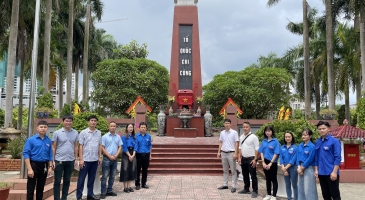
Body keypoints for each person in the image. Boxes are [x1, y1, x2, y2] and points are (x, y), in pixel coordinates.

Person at [23, 120, 53, 200]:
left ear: (47, 128)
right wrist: (29, 169)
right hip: (33, 165)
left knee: (41, 187)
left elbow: (50, 155)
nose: (43, 128)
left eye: (45, 127)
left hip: (44, 166)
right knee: (31, 187)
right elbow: (26, 154)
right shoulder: (31, 140)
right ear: (37, 128)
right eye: (41, 127)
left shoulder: (48, 140)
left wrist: (50, 166)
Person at [52, 115, 79, 200]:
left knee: (67, 181)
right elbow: (53, 147)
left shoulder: (75, 133)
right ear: (63, 122)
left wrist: (76, 158)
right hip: (59, 160)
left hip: (70, 160)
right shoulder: (57, 133)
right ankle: (56, 198)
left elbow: (76, 146)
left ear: (72, 122)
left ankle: (64, 198)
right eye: (66, 121)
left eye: (70, 121)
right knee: (57, 181)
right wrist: (52, 160)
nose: (68, 123)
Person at [76, 115, 102, 200]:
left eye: (95, 121)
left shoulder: (98, 132)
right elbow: (80, 146)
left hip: (94, 160)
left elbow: (100, 145)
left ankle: (90, 195)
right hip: (85, 160)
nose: (93, 122)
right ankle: (79, 196)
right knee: (81, 179)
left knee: (91, 179)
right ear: (88, 122)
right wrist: (81, 159)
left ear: (96, 122)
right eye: (92, 120)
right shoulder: (83, 132)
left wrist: (99, 156)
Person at [314, 121, 341, 200]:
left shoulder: (334, 141)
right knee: (325, 195)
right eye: (320, 129)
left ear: (328, 129)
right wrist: (316, 170)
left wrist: (334, 172)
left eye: (324, 128)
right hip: (321, 173)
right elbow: (316, 157)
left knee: (335, 195)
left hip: (331, 172)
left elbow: (337, 158)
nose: (322, 130)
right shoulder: (318, 141)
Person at [100, 121, 122, 199]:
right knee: (105, 176)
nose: (113, 127)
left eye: (114, 126)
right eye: (111, 126)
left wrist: (116, 155)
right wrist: (109, 156)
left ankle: (109, 190)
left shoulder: (118, 137)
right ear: (109, 127)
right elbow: (102, 148)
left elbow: (120, 147)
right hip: (106, 158)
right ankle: (103, 192)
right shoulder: (105, 136)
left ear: (116, 127)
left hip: (115, 158)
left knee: (112, 176)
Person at [237, 121, 260, 198]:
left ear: (250, 127)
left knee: (253, 176)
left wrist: (255, 159)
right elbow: (240, 147)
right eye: (244, 127)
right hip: (244, 158)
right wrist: (239, 157)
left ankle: (255, 191)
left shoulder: (254, 137)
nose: (245, 128)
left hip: (251, 158)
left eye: (246, 127)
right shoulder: (241, 137)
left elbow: (257, 148)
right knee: (245, 175)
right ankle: (246, 188)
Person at [217, 119, 239, 193]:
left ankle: (234, 186)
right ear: (224, 124)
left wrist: (236, 153)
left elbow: (236, 143)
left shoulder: (234, 132)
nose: (227, 124)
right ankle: (225, 184)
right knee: (225, 170)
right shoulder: (222, 133)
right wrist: (219, 152)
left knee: (233, 171)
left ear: (230, 124)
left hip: (231, 153)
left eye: (228, 123)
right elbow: (220, 142)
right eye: (225, 123)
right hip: (223, 153)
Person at [259, 125, 280, 200]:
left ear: (272, 132)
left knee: (273, 179)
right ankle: (268, 194)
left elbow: (276, 153)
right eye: (266, 131)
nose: (268, 132)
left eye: (269, 131)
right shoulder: (264, 141)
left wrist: (271, 163)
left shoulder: (275, 141)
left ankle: (274, 196)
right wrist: (263, 162)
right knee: (267, 179)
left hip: (273, 162)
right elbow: (261, 152)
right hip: (265, 161)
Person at [297, 129, 318, 200]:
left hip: (308, 168)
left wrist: (302, 168)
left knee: (309, 189)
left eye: (305, 135)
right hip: (300, 168)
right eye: (302, 135)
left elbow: (310, 159)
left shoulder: (312, 146)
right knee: (301, 188)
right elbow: (298, 157)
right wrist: (298, 167)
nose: (303, 136)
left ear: (310, 136)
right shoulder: (300, 145)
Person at [280, 132, 298, 200]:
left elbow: (293, 160)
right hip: (284, 167)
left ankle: (296, 198)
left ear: (292, 137)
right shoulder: (282, 147)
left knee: (294, 185)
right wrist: (283, 168)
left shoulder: (295, 148)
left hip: (292, 167)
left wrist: (285, 168)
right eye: (286, 137)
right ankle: (289, 198)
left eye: (289, 137)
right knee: (287, 185)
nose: (287, 138)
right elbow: (281, 158)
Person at [119, 124, 137, 193]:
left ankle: (129, 186)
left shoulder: (134, 137)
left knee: (131, 169)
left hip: (133, 153)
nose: (131, 128)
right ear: (126, 128)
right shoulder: (124, 137)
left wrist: (133, 155)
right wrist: (129, 155)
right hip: (126, 153)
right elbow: (124, 147)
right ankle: (125, 187)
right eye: (129, 127)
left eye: (132, 127)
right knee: (125, 169)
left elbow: (136, 146)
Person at [135, 122, 152, 190]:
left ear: (146, 128)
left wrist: (150, 155)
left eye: (144, 127)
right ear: (139, 128)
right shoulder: (136, 136)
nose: (143, 128)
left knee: (145, 170)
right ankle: (137, 184)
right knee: (137, 170)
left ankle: (144, 183)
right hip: (138, 155)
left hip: (146, 155)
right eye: (142, 127)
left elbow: (150, 146)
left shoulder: (148, 136)